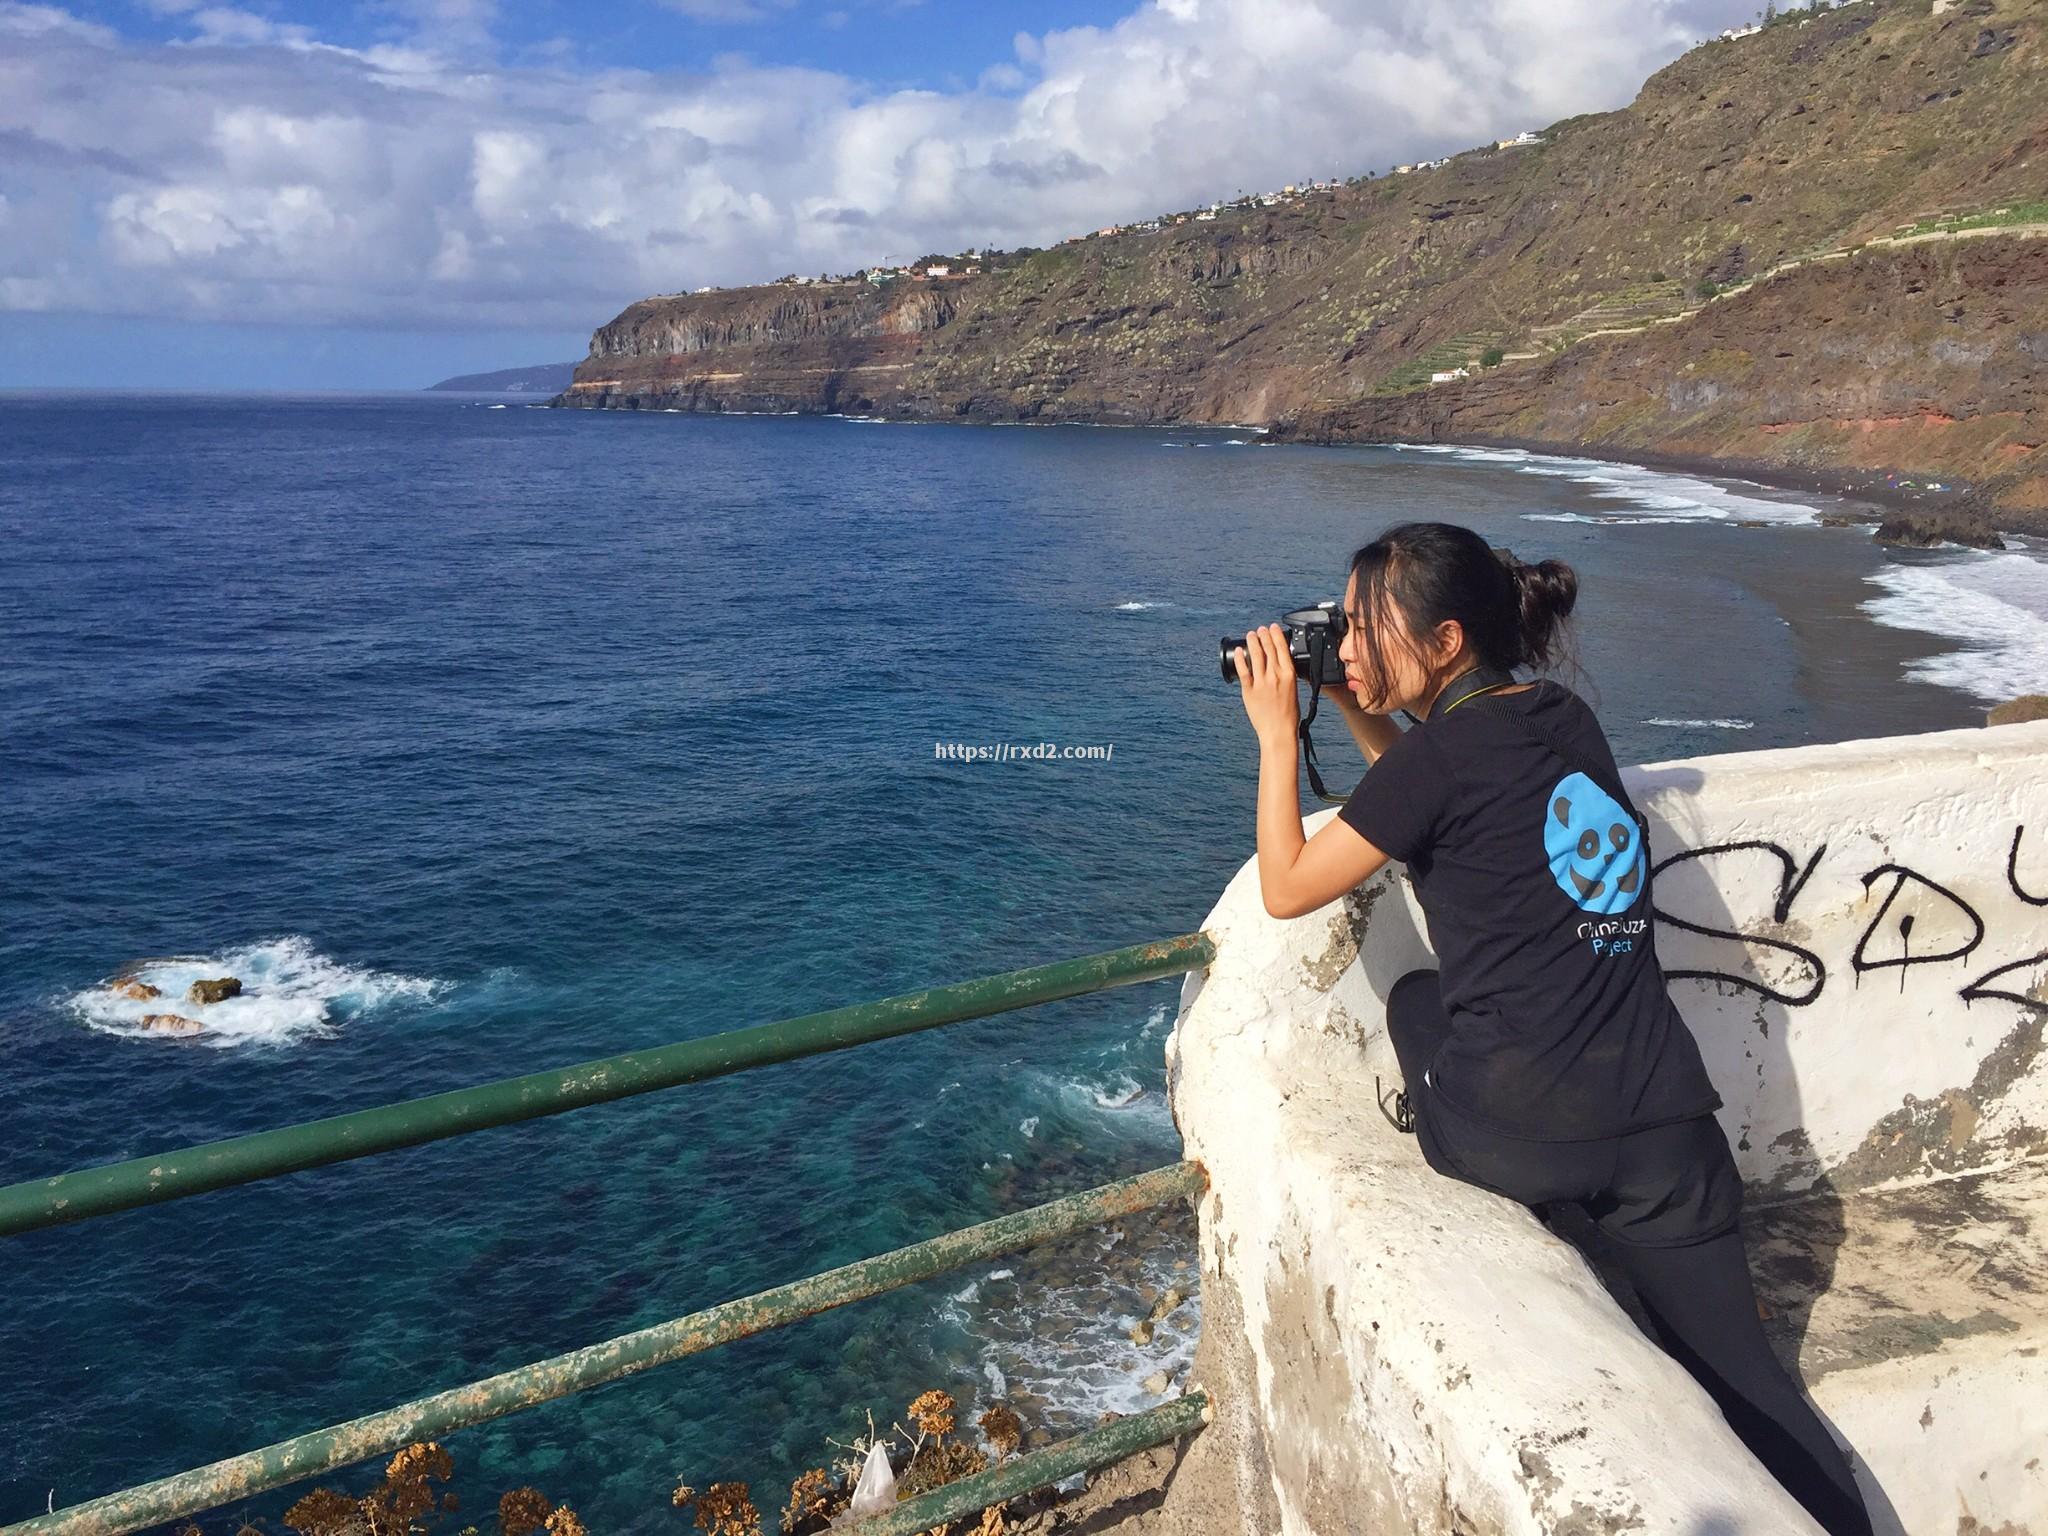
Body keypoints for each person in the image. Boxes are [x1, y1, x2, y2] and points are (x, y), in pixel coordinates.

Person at [1229, 520, 1875, 1536]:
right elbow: (1435, 781)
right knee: (1758, 1396)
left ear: (1442, 643)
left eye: (1359, 630)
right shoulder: (1564, 718)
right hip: (1667, 1126)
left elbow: (1284, 886)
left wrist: (1277, 734)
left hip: (1518, 1132)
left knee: (1413, 1000)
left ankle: (1563, 1217)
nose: (1339, 649)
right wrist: (1363, 711)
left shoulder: (1430, 767)